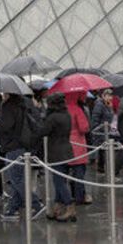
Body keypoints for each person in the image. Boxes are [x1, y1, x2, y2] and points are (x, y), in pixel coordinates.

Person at [0, 93, 45, 221]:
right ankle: (12, 210)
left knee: (16, 179)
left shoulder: (8, 105)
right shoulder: (24, 103)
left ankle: (36, 204)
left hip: (12, 145)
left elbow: (5, 126)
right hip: (24, 144)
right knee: (18, 179)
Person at [37, 93, 76, 222]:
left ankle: (70, 206)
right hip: (67, 150)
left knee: (58, 182)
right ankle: (58, 206)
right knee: (60, 180)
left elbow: (43, 132)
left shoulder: (52, 118)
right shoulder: (66, 115)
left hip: (56, 152)